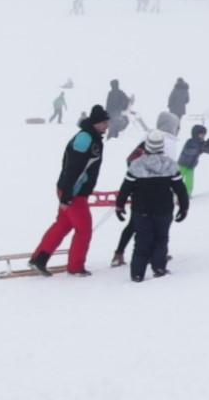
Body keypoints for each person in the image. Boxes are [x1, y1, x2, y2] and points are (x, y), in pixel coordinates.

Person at [29, 106, 110, 277]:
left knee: (63, 225)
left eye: (107, 122)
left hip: (72, 190)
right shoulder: (85, 139)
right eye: (103, 122)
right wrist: (67, 195)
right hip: (73, 192)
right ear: (95, 122)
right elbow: (73, 168)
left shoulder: (92, 137)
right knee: (84, 229)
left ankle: (39, 259)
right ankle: (75, 267)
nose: (106, 126)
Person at [116, 132, 190, 282]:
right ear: (162, 146)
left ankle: (137, 273)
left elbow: (125, 188)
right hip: (163, 210)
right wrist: (184, 207)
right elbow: (180, 189)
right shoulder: (170, 164)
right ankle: (159, 268)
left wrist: (120, 205)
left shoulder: (136, 165)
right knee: (161, 239)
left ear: (146, 147)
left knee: (142, 241)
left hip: (141, 210)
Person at [176, 125, 209, 196]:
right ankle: (172, 192)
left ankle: (187, 194)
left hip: (190, 167)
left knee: (189, 182)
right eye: (201, 135)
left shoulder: (199, 143)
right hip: (182, 165)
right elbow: (206, 150)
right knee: (177, 180)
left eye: (204, 135)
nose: (203, 136)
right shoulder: (191, 142)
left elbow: (206, 148)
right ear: (195, 134)